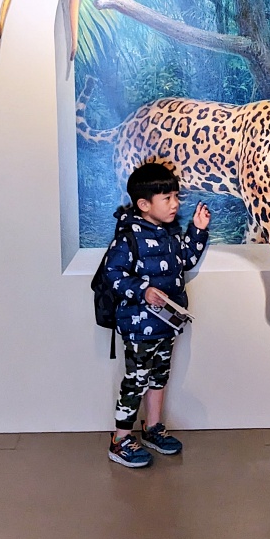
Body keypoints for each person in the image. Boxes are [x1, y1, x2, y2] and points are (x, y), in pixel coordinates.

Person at [105, 162, 211, 468]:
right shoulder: (129, 237)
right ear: (144, 204)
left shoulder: (170, 233)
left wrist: (198, 230)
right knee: (135, 381)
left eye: (176, 196)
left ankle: (152, 428)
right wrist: (142, 290)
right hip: (139, 328)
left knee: (159, 377)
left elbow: (186, 260)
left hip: (167, 325)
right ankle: (120, 440)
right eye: (168, 198)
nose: (176, 204)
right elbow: (114, 274)